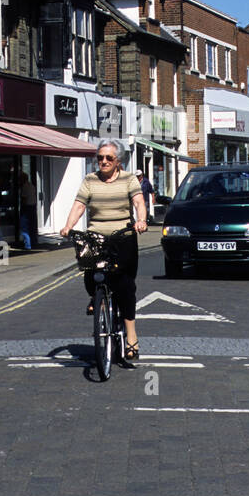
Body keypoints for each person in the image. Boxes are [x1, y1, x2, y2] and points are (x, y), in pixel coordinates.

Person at [60, 140, 148, 361]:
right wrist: (68, 226)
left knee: (125, 286)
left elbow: (138, 202)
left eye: (109, 158)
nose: (103, 162)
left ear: (118, 160)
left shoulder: (128, 179)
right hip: (96, 236)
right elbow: (79, 205)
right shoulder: (90, 180)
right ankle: (97, 297)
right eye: (100, 157)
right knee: (90, 274)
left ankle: (131, 336)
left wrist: (142, 220)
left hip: (123, 237)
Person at [18, 172, 37, 250]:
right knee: (32, 226)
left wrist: (21, 207)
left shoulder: (24, 187)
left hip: (26, 208)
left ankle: (27, 245)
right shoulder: (32, 186)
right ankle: (33, 243)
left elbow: (24, 199)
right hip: (33, 207)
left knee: (24, 227)